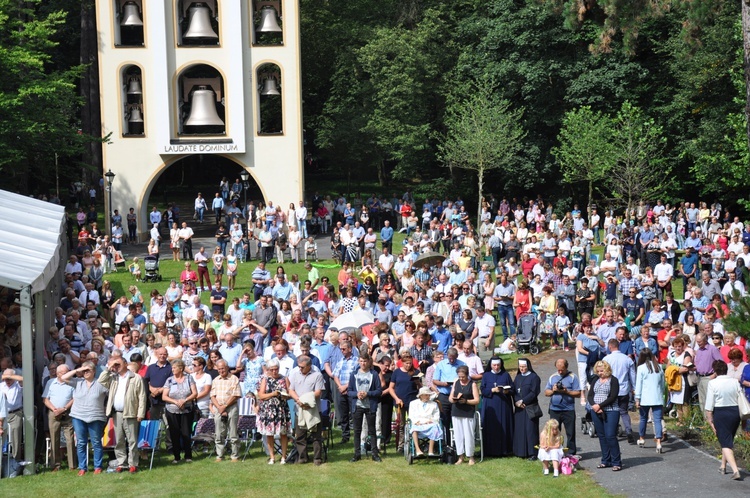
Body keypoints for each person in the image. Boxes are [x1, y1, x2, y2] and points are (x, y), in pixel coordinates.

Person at [99, 356, 147, 473]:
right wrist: (109, 368)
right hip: (117, 413)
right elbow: (101, 380)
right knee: (119, 440)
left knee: (132, 440)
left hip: (131, 412)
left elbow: (142, 397)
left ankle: (133, 464)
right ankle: (122, 463)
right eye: (114, 364)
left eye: (118, 363)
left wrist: (141, 413)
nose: (116, 366)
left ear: (125, 363)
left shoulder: (136, 378)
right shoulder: (113, 378)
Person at [62, 362, 109, 475]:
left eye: (88, 370)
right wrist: (79, 369)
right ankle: (82, 467)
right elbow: (63, 378)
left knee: (96, 442)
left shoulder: (101, 383)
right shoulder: (78, 382)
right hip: (78, 416)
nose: (86, 372)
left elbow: (111, 394)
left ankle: (98, 466)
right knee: (81, 442)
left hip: (96, 416)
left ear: (94, 371)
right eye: (84, 371)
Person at [705, 360, 743, 480]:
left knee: (725, 441)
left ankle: (735, 470)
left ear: (715, 371)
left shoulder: (713, 383)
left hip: (720, 413)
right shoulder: (734, 382)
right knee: (727, 438)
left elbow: (709, 405)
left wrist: (710, 420)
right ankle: (723, 466)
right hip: (735, 412)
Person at [288, 355, 325, 465]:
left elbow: (318, 392)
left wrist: (306, 401)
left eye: (302, 367)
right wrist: (299, 401)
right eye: (299, 366)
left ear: (309, 366)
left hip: (313, 410)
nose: (300, 368)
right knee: (300, 435)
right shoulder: (295, 374)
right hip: (299, 409)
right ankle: (302, 457)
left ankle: (317, 458)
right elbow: (291, 390)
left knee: (316, 436)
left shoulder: (317, 375)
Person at [587, 360, 622, 471]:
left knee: (610, 435)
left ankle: (616, 461)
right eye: (598, 371)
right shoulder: (595, 380)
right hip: (596, 411)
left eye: (602, 371)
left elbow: (613, 396)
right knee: (601, 436)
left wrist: (600, 406)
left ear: (607, 369)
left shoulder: (614, 380)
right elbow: (590, 395)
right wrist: (594, 405)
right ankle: (605, 460)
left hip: (611, 410)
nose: (600, 373)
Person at [161, 359, 198, 464]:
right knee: (174, 433)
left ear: (181, 368)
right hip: (172, 410)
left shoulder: (189, 378)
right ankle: (176, 457)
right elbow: (164, 396)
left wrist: (185, 400)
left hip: (187, 410)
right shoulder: (169, 380)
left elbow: (195, 393)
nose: (172, 369)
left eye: (174, 367)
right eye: (172, 368)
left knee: (186, 432)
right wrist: (175, 401)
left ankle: (188, 456)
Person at [348, 354, 383, 462]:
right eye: (361, 361)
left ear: (369, 362)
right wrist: (357, 394)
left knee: (372, 430)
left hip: (370, 405)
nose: (363, 363)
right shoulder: (354, 374)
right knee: (357, 431)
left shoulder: (374, 374)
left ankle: (374, 453)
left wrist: (368, 394)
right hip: (357, 405)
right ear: (358, 362)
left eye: (365, 361)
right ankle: (357, 453)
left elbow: (379, 390)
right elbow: (349, 391)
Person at [257, 357, 292, 464]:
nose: (274, 371)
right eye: (271, 369)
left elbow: (290, 392)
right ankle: (272, 457)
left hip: (281, 409)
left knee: (283, 433)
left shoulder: (284, 378)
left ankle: (284, 457)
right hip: (268, 410)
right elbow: (261, 395)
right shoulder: (265, 379)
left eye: (276, 369)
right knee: (269, 433)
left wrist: (286, 396)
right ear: (268, 369)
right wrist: (273, 394)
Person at [544, 358, 581, 456]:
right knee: (554, 432)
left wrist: (567, 391)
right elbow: (546, 392)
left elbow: (578, 393)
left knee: (570, 432)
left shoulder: (573, 377)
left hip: (568, 409)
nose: (560, 372)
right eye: (558, 369)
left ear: (566, 367)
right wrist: (553, 390)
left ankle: (571, 453)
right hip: (554, 409)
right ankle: (555, 452)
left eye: (562, 369)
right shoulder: (553, 377)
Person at [42, 364, 76, 471]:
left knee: (70, 439)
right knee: (54, 438)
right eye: (65, 372)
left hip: (68, 412)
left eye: (68, 371)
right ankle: (55, 465)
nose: (67, 374)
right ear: (58, 374)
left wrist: (64, 408)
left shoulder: (72, 383)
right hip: (53, 413)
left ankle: (72, 465)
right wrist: (54, 409)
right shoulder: (50, 382)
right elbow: (45, 399)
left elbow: (74, 398)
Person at [604, 338, 636, 444]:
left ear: (610, 347)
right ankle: (628, 430)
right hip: (624, 389)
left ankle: (613, 432)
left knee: (612, 412)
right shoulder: (627, 359)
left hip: (611, 390)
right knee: (624, 411)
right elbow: (632, 375)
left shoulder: (606, 359)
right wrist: (634, 388)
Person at [480, 357, 514, 457]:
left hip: (504, 405)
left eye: (498, 365)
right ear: (491, 365)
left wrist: (507, 391)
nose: (496, 367)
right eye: (494, 365)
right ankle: (490, 450)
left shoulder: (505, 375)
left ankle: (505, 450)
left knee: (504, 425)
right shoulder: (486, 375)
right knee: (491, 426)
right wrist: (492, 390)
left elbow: (512, 388)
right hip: (491, 405)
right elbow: (483, 390)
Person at [210, 359, 242, 461]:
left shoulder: (234, 378)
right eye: (219, 369)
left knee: (233, 432)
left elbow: (236, 395)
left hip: (231, 407)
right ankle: (220, 455)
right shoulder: (215, 380)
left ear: (227, 368)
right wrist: (219, 408)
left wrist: (224, 406)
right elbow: (212, 396)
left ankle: (235, 455)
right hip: (218, 408)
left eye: (223, 368)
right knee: (219, 433)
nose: (221, 371)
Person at [634, 348, 665, 452]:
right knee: (657, 420)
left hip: (645, 398)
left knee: (643, 419)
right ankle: (659, 442)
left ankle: (642, 438)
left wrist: (637, 398)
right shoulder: (659, 367)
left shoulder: (641, 368)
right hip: (657, 398)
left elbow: (639, 385)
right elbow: (662, 384)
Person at [450, 365, 480, 465]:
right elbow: (450, 397)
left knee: (469, 435)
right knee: (458, 435)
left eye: (463, 377)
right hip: (456, 412)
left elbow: (476, 400)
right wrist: (454, 399)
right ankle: (460, 457)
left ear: (467, 375)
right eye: (459, 377)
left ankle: (471, 457)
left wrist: (466, 401)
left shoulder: (473, 384)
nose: (461, 379)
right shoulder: (456, 382)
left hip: (468, 413)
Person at [513, 358, 542, 460]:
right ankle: (520, 451)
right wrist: (517, 401)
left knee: (531, 430)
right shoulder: (517, 377)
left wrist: (523, 401)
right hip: (519, 408)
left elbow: (534, 392)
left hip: (530, 407)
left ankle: (532, 453)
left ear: (528, 366)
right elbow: (514, 391)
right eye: (520, 367)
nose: (522, 369)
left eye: (524, 367)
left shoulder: (534, 377)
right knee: (520, 429)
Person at [408, 386, 443, 457]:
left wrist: (431, 421)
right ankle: (418, 450)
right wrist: (417, 422)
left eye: (429, 395)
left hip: (430, 423)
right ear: (421, 395)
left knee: (435, 428)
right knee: (414, 429)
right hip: (418, 423)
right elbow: (411, 415)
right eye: (426, 395)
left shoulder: (434, 404)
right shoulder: (413, 403)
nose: (428, 396)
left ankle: (430, 451)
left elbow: (437, 416)